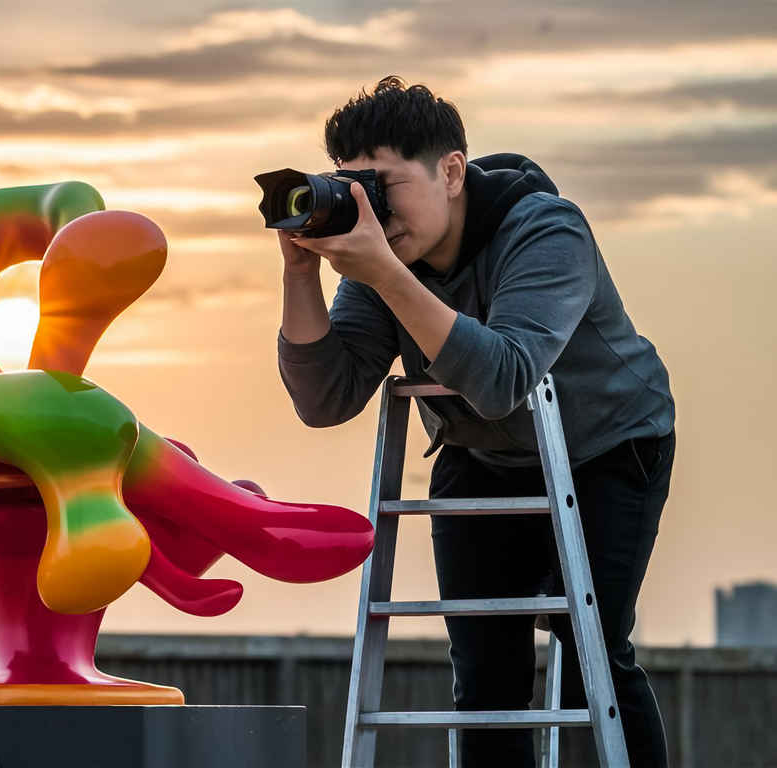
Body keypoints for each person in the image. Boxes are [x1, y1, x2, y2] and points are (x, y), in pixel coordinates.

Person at [276, 75, 676, 766]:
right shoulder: (384, 259)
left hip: (607, 446)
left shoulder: (547, 229)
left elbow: (504, 379)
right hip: (479, 456)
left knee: (592, 657)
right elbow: (325, 399)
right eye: (352, 188)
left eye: (385, 185)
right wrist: (298, 276)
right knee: (485, 680)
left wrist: (383, 272)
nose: (369, 208)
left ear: (451, 171)